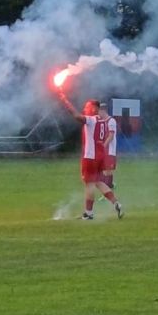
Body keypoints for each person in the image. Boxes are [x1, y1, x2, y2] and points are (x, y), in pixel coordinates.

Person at [58, 92, 124, 220]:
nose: (85, 109)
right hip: (100, 156)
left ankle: (88, 213)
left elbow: (77, 116)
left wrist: (65, 101)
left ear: (94, 108)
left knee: (89, 184)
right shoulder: (104, 121)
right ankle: (116, 203)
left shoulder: (91, 119)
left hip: (90, 156)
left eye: (87, 107)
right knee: (99, 182)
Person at [99, 101, 119, 190]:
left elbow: (111, 136)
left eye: (99, 111)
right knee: (103, 171)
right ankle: (110, 186)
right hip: (104, 150)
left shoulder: (111, 121)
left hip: (109, 150)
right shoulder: (101, 121)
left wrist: (103, 146)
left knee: (108, 171)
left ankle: (108, 190)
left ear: (103, 111)